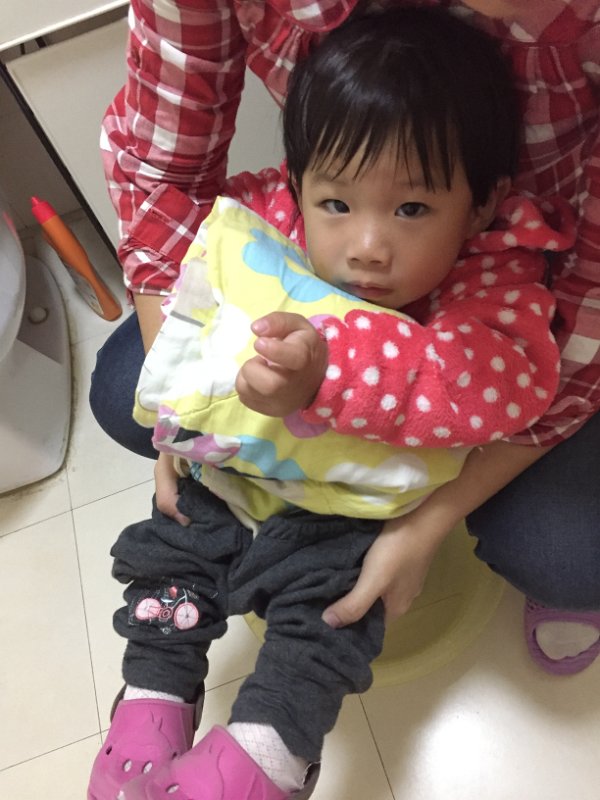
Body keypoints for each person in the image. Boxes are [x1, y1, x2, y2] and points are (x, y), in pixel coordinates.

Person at [88, 8, 575, 800]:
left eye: (411, 209)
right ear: (298, 183)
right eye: (337, 205)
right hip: (242, 466)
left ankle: (263, 755)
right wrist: (183, 406)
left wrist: (326, 374)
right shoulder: (271, 220)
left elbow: (501, 384)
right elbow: (190, 252)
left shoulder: (493, 272)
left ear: (482, 206)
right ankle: (153, 691)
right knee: (175, 537)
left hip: (354, 508)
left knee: (334, 611)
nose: (367, 247)